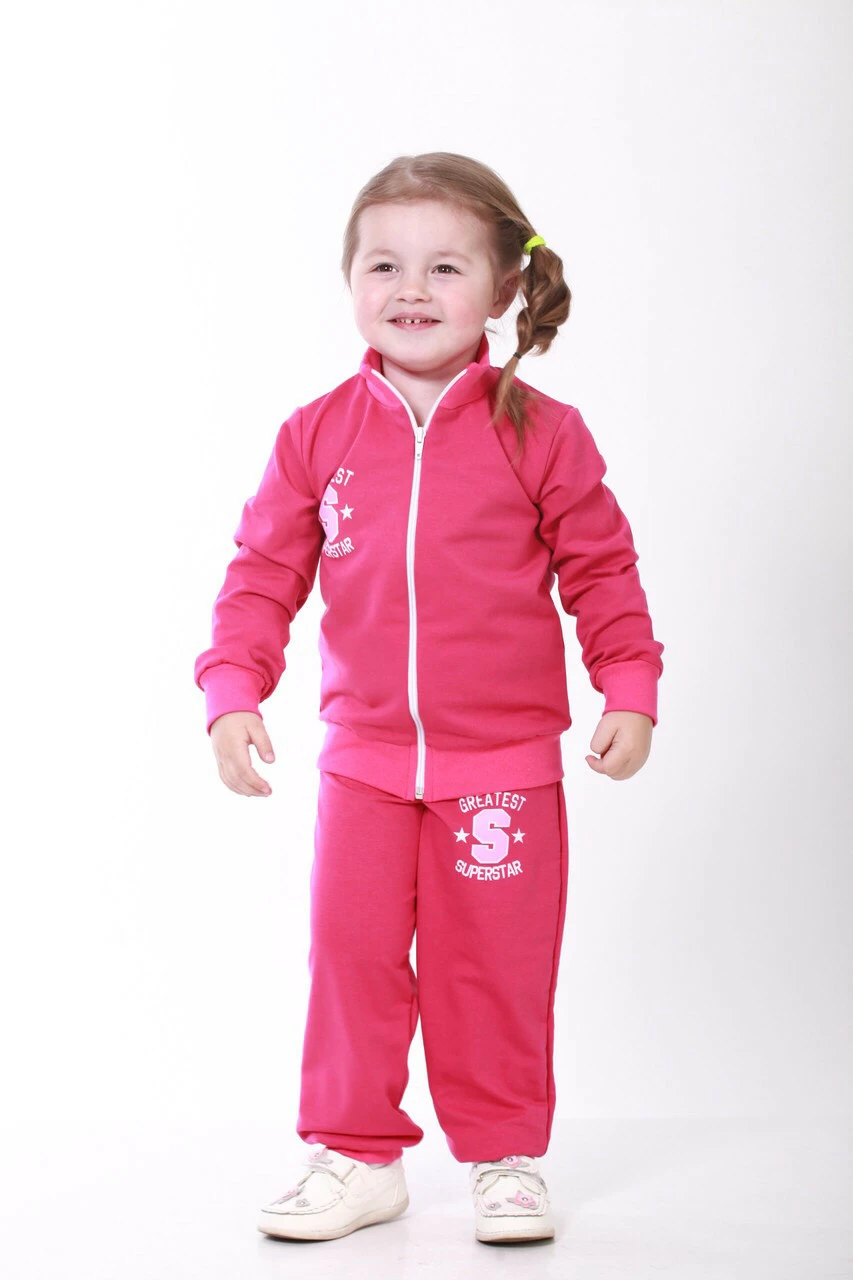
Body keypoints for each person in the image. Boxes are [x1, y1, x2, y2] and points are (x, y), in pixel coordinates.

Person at [193, 151, 665, 1246]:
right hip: (362, 764)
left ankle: (504, 1156)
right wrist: (232, 688)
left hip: (501, 771)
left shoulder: (541, 431)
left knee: (491, 968)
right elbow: (262, 574)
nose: (410, 289)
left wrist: (628, 686)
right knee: (349, 961)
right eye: (383, 265)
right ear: (349, 280)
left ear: (503, 287)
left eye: (444, 267)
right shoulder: (316, 433)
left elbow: (602, 570)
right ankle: (357, 1157)